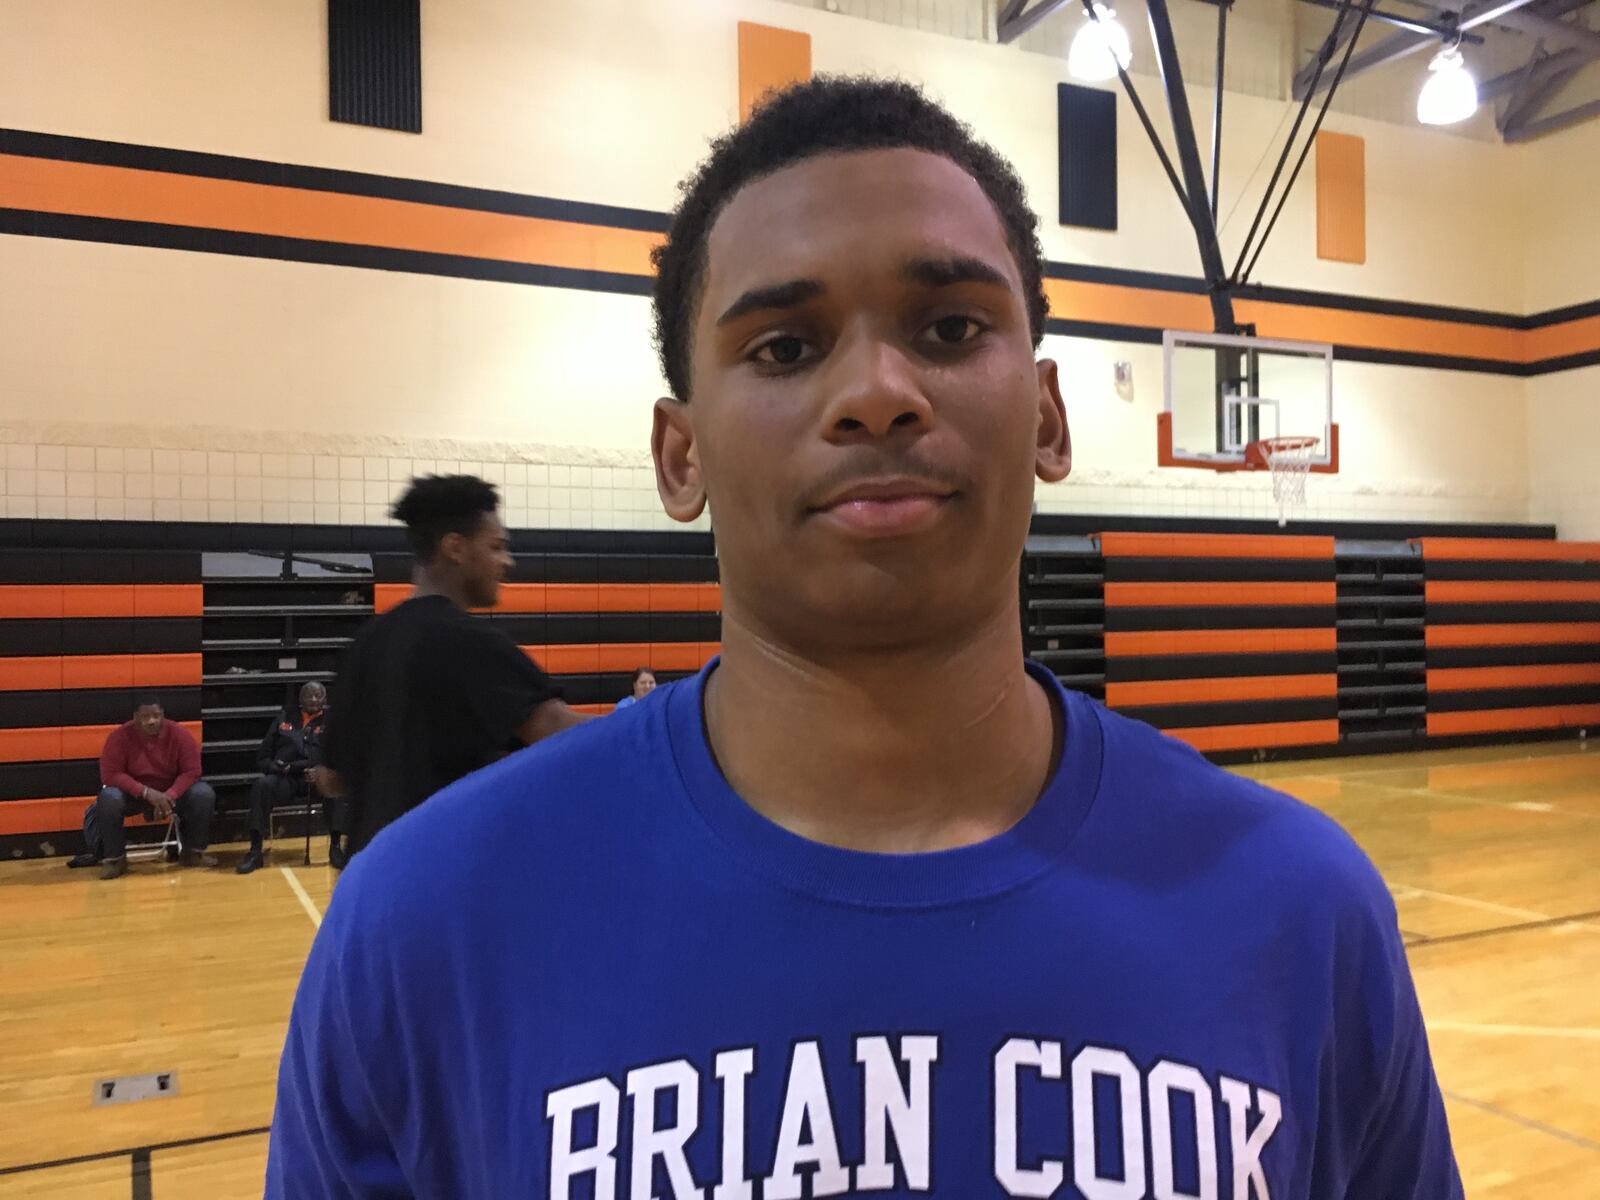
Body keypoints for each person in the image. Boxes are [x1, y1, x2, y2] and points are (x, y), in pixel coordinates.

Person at [269, 79, 1460, 1196]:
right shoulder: (417, 930)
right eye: (784, 346)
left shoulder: (1302, 910)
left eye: (948, 327)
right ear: (679, 456)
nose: (880, 391)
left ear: (1046, 416)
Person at [314, 474, 590, 862]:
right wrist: (659, 719)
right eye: (496, 547)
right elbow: (558, 731)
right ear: (455, 548)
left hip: (368, 883)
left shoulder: (367, 644)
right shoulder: (468, 640)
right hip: (442, 878)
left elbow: (331, 779)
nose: (506, 561)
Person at [89, 694, 216, 880]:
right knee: (109, 797)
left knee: (203, 793)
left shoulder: (179, 734)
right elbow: (111, 774)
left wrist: (170, 795)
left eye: (156, 716)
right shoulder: (119, 737)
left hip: (170, 794)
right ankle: (115, 859)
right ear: (135, 717)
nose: (151, 721)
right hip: (134, 795)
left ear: (162, 715)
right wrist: (146, 793)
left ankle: (192, 853)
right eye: (145, 716)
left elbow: (192, 771)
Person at [236, 681, 328, 875]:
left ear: (324, 700)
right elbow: (262, 757)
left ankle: (336, 847)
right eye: (309, 695)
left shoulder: (332, 722)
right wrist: (274, 767)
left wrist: (321, 770)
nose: (313, 699)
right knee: (262, 785)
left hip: (316, 777)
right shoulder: (284, 718)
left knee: (339, 787)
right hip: (286, 777)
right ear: (300, 699)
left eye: (318, 695)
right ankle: (255, 851)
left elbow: (338, 756)